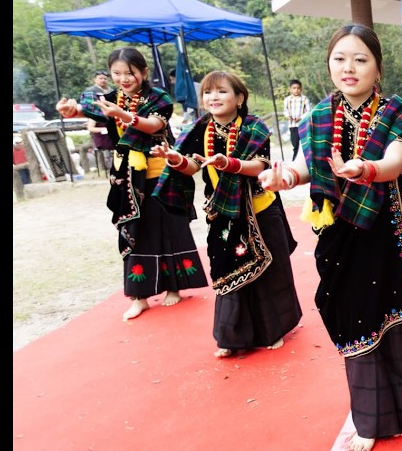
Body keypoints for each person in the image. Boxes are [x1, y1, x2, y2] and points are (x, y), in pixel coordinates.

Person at [258, 24, 402, 451]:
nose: (349, 68)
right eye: (340, 59)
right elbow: (303, 169)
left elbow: (394, 163)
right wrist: (282, 178)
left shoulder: (396, 112)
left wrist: (364, 169)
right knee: (355, 314)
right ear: (329, 65)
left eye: (360, 59)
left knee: (393, 311)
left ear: (377, 67)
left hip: (390, 230)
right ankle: (370, 416)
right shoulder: (316, 117)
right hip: (338, 232)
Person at [151, 71, 303, 358]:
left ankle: (274, 330)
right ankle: (232, 337)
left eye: (221, 91)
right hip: (222, 212)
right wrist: (174, 159)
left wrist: (230, 163)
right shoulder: (199, 130)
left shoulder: (254, 127)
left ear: (239, 98)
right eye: (208, 93)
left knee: (270, 271)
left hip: (260, 210)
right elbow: (192, 167)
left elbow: (259, 166)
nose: (213, 97)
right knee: (225, 270)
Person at [55, 47, 208, 321]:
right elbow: (88, 110)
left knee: (168, 227)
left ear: (144, 72)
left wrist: (123, 115)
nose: (124, 79)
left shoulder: (158, 97)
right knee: (133, 228)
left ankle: (174, 286)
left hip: (161, 172)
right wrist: (72, 110)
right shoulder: (111, 99)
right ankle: (140, 296)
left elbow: (151, 125)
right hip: (127, 175)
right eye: (117, 73)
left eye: (129, 73)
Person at [283, 79, 312, 161]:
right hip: (293, 125)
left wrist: (301, 117)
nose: (296, 90)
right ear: (290, 89)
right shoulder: (287, 100)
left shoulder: (304, 99)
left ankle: (306, 161)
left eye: (298, 88)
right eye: (294, 88)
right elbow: (285, 110)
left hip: (303, 125)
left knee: (304, 144)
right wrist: (288, 116)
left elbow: (308, 111)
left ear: (301, 89)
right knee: (295, 145)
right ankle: (295, 161)